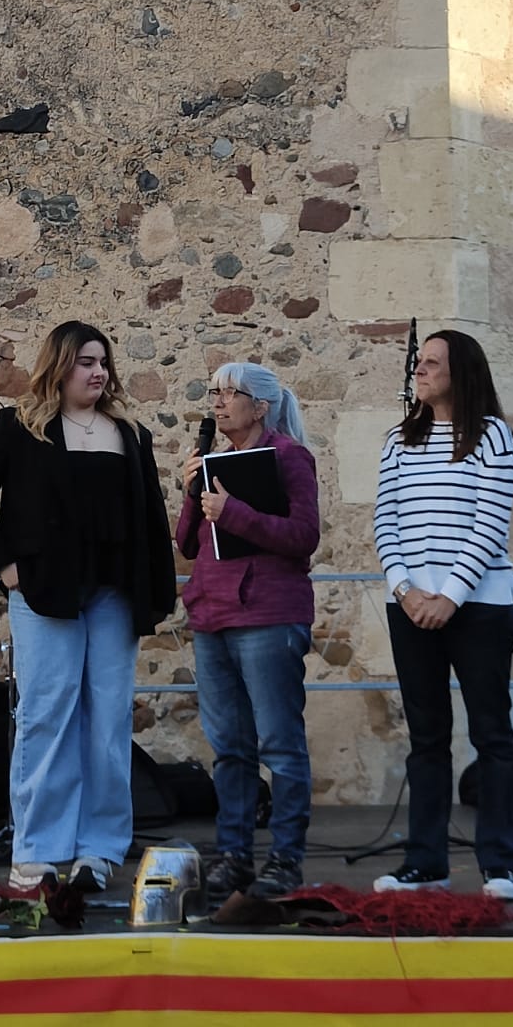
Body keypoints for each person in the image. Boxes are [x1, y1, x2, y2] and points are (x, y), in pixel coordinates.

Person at [0, 320, 176, 895]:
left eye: (103, 362)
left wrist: (154, 588)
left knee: (108, 721)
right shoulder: (21, 426)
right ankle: (38, 852)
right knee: (46, 717)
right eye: (86, 362)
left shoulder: (129, 433)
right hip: (45, 593)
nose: (98, 372)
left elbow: (150, 515)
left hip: (113, 594)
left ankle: (99, 850)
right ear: (59, 365)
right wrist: (6, 567)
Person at [373, 329, 513, 901]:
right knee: (427, 738)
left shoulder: (493, 435)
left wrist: (450, 596)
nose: (421, 369)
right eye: (420, 361)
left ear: (462, 372)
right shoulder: (398, 439)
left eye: (433, 362)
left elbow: (490, 524)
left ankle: (499, 865)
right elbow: (385, 521)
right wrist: (406, 590)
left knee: (492, 734)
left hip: (479, 607)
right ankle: (425, 861)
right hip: (410, 607)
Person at [176, 361, 320, 900]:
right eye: (213, 392)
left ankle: (285, 859)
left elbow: (304, 535)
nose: (217, 402)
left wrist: (233, 512)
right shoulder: (214, 460)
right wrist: (191, 490)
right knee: (230, 748)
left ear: (260, 406)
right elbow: (186, 543)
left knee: (279, 744)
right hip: (212, 614)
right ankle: (234, 855)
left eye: (229, 393)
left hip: (268, 614)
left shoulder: (288, 457)